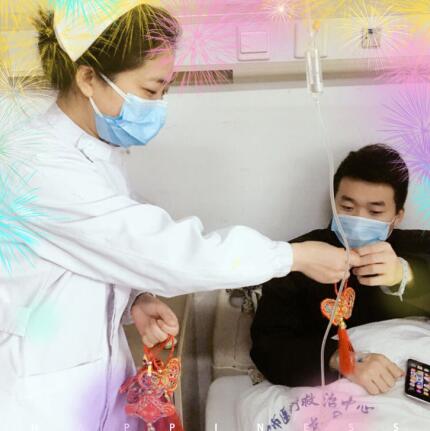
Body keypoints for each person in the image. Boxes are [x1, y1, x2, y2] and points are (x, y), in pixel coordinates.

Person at [0, 2, 358, 431]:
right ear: (88, 78)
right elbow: (165, 252)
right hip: (38, 397)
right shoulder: (38, 165)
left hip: (88, 374)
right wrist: (293, 257)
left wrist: (135, 299)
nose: (158, 106)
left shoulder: (95, 155)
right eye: (151, 90)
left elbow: (97, 250)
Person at [251, 144, 430, 395]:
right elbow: (268, 345)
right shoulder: (299, 258)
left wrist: (405, 277)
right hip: (334, 390)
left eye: (375, 211)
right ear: (334, 203)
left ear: (397, 216)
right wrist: (340, 359)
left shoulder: (417, 246)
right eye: (347, 208)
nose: (358, 219)